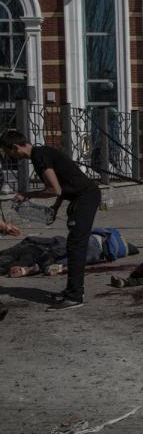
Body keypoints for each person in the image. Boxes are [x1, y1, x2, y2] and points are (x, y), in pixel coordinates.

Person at [3, 130, 103, 311]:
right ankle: (72, 291)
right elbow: (63, 184)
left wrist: (26, 195)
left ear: (16, 147)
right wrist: (55, 208)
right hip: (82, 197)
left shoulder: (39, 157)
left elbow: (54, 189)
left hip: (85, 197)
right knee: (74, 245)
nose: (9, 156)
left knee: (76, 245)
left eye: (8, 152)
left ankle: (74, 296)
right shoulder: (41, 153)